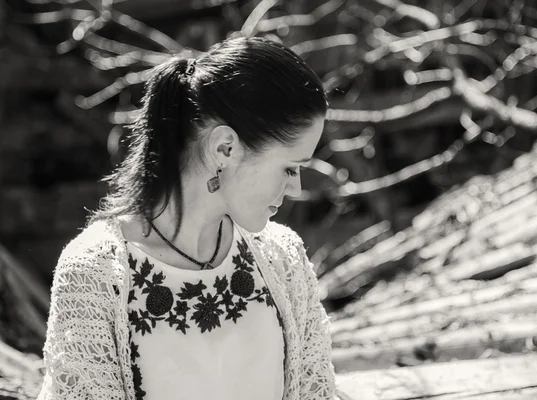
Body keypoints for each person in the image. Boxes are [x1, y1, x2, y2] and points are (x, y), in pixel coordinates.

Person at [37, 36, 336, 400]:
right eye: (290, 168)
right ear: (224, 147)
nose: (296, 188)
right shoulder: (97, 274)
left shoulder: (283, 260)